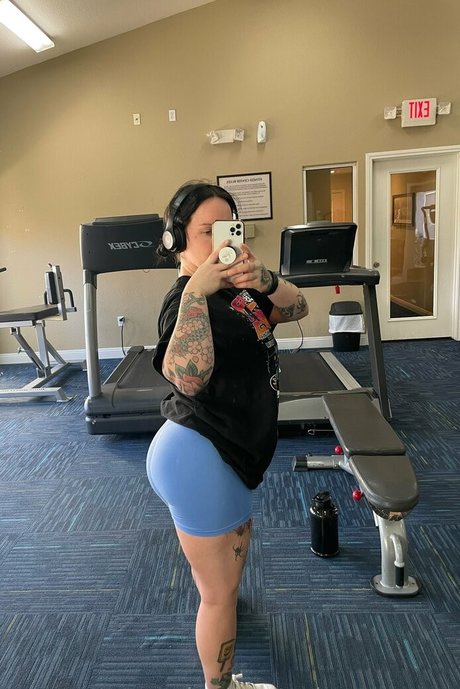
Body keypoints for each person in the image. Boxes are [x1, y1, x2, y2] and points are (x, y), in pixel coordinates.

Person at [146, 181, 309, 689]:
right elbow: (188, 377)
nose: (221, 242)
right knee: (219, 595)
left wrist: (266, 278)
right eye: (206, 232)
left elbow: (296, 308)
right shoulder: (184, 300)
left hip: (212, 451)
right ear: (176, 240)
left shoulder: (238, 290)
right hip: (202, 457)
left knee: (219, 580)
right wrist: (197, 291)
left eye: (228, 228)